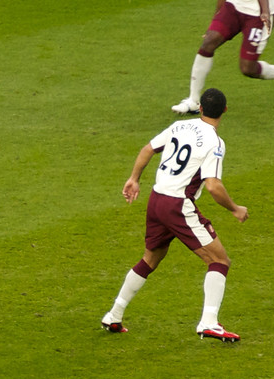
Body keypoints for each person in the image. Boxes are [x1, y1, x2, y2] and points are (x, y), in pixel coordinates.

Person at [101, 87, 248, 339]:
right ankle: (209, 322)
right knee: (220, 260)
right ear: (225, 110)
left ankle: (114, 314)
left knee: (150, 259)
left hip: (156, 200)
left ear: (200, 108)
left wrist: (134, 179)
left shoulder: (179, 126)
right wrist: (235, 209)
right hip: (178, 205)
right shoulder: (215, 142)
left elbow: (148, 149)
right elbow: (213, 185)